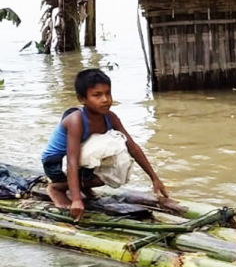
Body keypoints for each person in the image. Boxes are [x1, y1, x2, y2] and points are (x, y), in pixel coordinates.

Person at [41, 69, 168, 221]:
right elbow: (72, 160)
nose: (105, 99)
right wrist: (76, 199)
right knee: (104, 152)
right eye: (97, 95)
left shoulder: (110, 117)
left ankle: (83, 184)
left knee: (115, 168)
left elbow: (132, 146)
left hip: (79, 159)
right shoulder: (76, 120)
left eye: (108, 93)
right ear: (82, 99)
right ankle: (56, 188)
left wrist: (154, 178)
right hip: (55, 162)